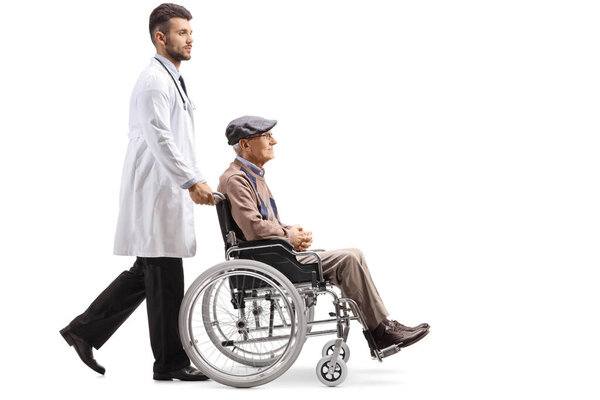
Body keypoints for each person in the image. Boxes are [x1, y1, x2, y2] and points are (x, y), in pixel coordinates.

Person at [60, 4, 213, 381]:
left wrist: (190, 176)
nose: (190, 38)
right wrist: (191, 180)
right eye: (182, 33)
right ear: (160, 38)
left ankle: (84, 330)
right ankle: (170, 362)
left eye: (191, 32)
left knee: (148, 272)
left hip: (163, 190)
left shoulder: (170, 77)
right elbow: (161, 138)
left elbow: (172, 136)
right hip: (157, 191)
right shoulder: (153, 81)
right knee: (163, 276)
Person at [217, 116, 430, 354]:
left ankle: (382, 327)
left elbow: (264, 223)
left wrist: (291, 231)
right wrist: (288, 236)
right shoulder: (236, 179)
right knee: (347, 260)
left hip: (273, 255)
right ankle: (379, 333)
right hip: (266, 261)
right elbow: (253, 229)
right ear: (245, 145)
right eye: (266, 136)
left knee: (354, 253)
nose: (274, 141)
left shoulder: (252, 175)